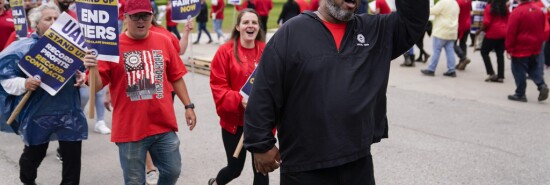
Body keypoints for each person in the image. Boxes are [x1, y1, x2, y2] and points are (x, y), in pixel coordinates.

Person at [243, 0, 428, 184]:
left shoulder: (374, 30)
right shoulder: (291, 33)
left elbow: (413, 19)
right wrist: (260, 144)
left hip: (357, 162)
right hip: (304, 166)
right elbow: (264, 91)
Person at [84, 0, 197, 184]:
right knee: (135, 181)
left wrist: (188, 106)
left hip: (163, 124)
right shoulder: (111, 46)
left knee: (172, 171)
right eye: (135, 16)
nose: (141, 20)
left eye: (145, 15)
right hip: (130, 130)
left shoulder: (164, 40)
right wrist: (93, 68)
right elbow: (95, 85)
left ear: (152, 16)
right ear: (125, 17)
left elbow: (176, 76)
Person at [0, 4, 90, 184]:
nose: (54, 23)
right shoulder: (22, 48)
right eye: (48, 19)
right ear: (36, 24)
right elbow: (5, 78)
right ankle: (27, 180)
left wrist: (81, 77)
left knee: (72, 159)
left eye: (57, 19)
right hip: (37, 114)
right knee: (33, 156)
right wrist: (24, 83)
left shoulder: (71, 47)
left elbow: (79, 72)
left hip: (69, 112)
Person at [208, 8, 267, 185]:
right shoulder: (224, 52)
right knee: (234, 169)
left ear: (259, 27)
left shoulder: (268, 51)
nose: (250, 26)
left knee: (261, 170)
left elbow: (278, 84)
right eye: (246, 22)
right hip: (234, 124)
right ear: (238, 27)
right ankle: (216, 182)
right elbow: (218, 86)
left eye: (254, 22)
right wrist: (239, 100)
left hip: (260, 123)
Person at [506, 0, 549, 102]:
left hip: (521, 46)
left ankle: (520, 93)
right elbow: (544, 27)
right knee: (533, 67)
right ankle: (541, 85)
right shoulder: (539, 10)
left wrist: (509, 48)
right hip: (535, 45)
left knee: (518, 69)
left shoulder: (517, 12)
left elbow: (511, 31)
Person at [420, 0, 459, 77]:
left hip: (441, 31)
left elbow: (431, 11)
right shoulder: (455, 3)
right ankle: (452, 70)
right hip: (452, 31)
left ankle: (431, 69)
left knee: (436, 51)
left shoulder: (443, 2)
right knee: (450, 50)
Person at [480, 0, 508, 82]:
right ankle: (500, 76)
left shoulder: (489, 7)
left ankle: (491, 73)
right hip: (503, 32)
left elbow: (486, 22)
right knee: (500, 54)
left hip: (492, 32)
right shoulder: (504, 7)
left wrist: (481, 30)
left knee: (484, 52)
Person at [454, 0, 472, 70]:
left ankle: (463, 57)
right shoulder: (468, 1)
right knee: (463, 43)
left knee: (452, 43)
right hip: (467, 23)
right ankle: (462, 63)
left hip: (459, 24)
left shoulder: (457, 2)